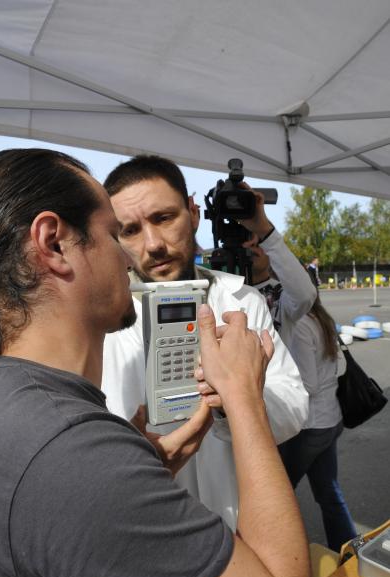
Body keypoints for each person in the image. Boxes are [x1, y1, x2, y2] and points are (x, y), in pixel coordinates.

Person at [0, 148, 316, 577]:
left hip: (191, 549)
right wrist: (241, 401)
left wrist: (131, 461)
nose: (142, 248)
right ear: (53, 244)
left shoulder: (0, 398)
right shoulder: (67, 449)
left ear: (193, 214)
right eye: (118, 232)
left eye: (164, 219)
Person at [102, 154, 308, 530]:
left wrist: (233, 401)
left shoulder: (241, 301)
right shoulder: (99, 322)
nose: (153, 245)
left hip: (239, 521)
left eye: (164, 218)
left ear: (193, 213)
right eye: (130, 230)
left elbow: (294, 409)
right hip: (145, 527)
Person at [279, 293, 357, 552]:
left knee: (279, 493)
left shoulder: (300, 325)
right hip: (331, 419)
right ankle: (347, 551)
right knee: (329, 493)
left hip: (309, 426)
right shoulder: (321, 318)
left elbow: (308, 384)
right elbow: (335, 368)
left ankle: (285, 557)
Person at [239, 190, 317, 347]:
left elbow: (305, 296)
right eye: (247, 238)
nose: (254, 245)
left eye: (260, 240)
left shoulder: (281, 295)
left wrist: (266, 232)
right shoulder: (223, 287)